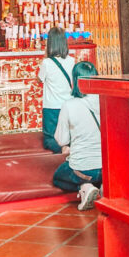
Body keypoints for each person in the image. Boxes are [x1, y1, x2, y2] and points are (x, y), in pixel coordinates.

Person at [52, 61, 102, 211]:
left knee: (58, 177)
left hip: (83, 169)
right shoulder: (106, 101)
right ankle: (104, 186)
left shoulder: (69, 105)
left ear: (75, 81)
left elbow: (62, 140)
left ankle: (85, 186)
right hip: (108, 167)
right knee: (99, 171)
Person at [38, 26, 76, 152]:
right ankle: (68, 147)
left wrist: (45, 56)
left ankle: (62, 149)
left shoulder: (47, 63)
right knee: (68, 133)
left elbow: (40, 79)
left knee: (50, 137)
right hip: (67, 104)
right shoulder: (71, 61)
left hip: (51, 106)